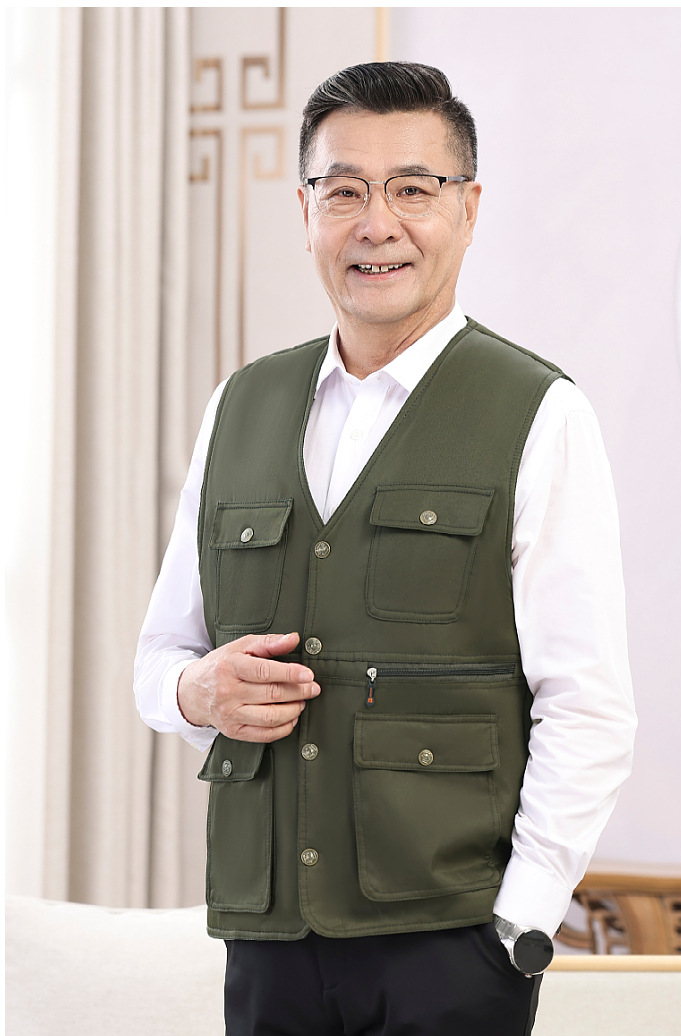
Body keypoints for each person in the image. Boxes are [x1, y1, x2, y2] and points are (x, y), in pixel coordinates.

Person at [135, 61, 636, 1036]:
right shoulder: (239, 406)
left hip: (451, 951)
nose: (377, 224)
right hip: (268, 943)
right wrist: (198, 693)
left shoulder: (540, 413)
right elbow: (161, 658)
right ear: (306, 209)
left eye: (413, 188)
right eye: (345, 191)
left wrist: (518, 923)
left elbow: (589, 706)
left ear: (468, 209)